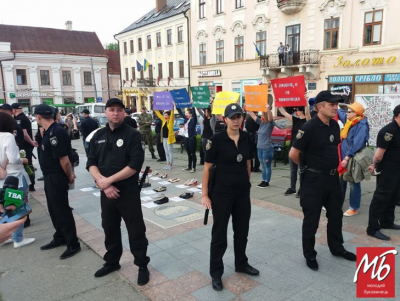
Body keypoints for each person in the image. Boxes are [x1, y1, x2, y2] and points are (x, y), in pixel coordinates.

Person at [289, 90, 356, 271]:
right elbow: (293, 154)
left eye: (336, 104)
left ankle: (337, 247)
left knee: (335, 215)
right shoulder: (309, 127)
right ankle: (310, 255)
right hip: (314, 179)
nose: (336, 108)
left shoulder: (334, 126)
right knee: (312, 219)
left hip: (333, 178)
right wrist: (308, 168)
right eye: (332, 104)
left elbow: (334, 149)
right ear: (320, 107)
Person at [87, 98, 150, 285]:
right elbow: (91, 163)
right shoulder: (98, 135)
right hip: (106, 192)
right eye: (112, 110)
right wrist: (103, 183)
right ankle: (112, 262)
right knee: (109, 227)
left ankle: (142, 265)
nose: (116, 113)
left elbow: (134, 166)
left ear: (124, 113)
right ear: (105, 112)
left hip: (127, 192)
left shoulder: (133, 135)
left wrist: (108, 181)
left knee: (136, 230)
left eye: (119, 110)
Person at [202, 103, 259, 291]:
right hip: (221, 193)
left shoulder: (246, 138)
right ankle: (216, 272)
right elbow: (207, 169)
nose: (236, 120)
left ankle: (241, 263)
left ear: (242, 118)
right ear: (225, 119)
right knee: (219, 234)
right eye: (232, 117)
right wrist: (204, 195)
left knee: (242, 231)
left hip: (242, 192)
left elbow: (248, 164)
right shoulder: (216, 139)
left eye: (239, 116)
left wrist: (246, 184)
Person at [35, 104, 81, 260]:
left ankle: (73, 243)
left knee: (62, 210)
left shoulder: (57, 132)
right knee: (53, 209)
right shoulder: (48, 131)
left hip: (57, 176)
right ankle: (60, 236)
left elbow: (65, 160)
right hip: (49, 175)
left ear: (38, 117)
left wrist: (69, 176)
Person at [0, 112, 35, 248]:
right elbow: (14, 159)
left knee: (3, 208)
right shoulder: (8, 136)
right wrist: (24, 160)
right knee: (17, 207)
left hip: (1, 179)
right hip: (14, 178)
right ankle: (18, 239)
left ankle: (4, 236)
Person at [366, 105, 400, 241]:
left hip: (398, 171)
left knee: (393, 197)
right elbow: (379, 154)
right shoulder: (389, 131)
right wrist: (374, 166)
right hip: (388, 171)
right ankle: (372, 228)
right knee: (380, 199)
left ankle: (387, 221)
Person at [337, 102, 369, 216]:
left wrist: (347, 157)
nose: (346, 113)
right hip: (343, 157)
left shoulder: (361, 125)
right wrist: (337, 103)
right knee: (341, 181)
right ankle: (337, 204)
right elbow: (339, 111)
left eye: (349, 111)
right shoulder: (349, 121)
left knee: (353, 182)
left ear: (356, 114)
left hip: (352, 158)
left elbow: (358, 144)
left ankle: (354, 208)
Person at [278, 103, 311, 197]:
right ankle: (292, 188)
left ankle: (302, 188)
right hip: (293, 148)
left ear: (300, 111)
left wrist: (306, 103)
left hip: (302, 150)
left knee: (301, 170)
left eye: (297, 110)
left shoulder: (308, 121)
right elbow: (284, 112)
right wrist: (278, 103)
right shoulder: (295, 120)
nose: (295, 112)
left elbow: (308, 113)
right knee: (293, 170)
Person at [246, 103, 275, 188]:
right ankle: (263, 180)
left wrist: (268, 109)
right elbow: (253, 116)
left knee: (267, 165)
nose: (261, 116)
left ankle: (267, 181)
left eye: (262, 114)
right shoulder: (261, 123)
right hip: (260, 148)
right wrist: (248, 107)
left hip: (267, 148)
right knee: (263, 165)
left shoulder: (270, 124)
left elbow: (270, 119)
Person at [11, 103, 37, 192]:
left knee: (28, 165)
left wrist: (31, 143)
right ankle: (31, 184)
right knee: (28, 164)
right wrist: (32, 141)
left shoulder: (20, 119)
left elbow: (25, 134)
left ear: (14, 110)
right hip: (27, 146)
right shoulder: (24, 117)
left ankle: (31, 185)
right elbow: (30, 132)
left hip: (25, 146)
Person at [177, 107, 198, 173]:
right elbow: (181, 114)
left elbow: (194, 114)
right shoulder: (187, 120)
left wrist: (193, 107)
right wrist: (177, 107)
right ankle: (189, 166)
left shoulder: (193, 120)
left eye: (188, 113)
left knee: (192, 154)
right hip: (186, 138)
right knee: (189, 153)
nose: (186, 114)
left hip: (192, 139)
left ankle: (194, 167)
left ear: (191, 114)